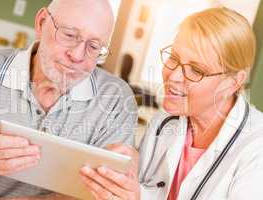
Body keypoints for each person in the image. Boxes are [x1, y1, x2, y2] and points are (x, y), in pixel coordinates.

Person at [80, 7, 263, 200]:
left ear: (233, 82)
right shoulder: (164, 122)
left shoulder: (256, 148)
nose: (173, 76)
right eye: (174, 58)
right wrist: (125, 172)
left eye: (196, 70)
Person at [0, 0, 137, 199]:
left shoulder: (115, 99)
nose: (77, 55)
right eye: (69, 35)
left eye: (94, 46)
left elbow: (103, 195)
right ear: (41, 22)